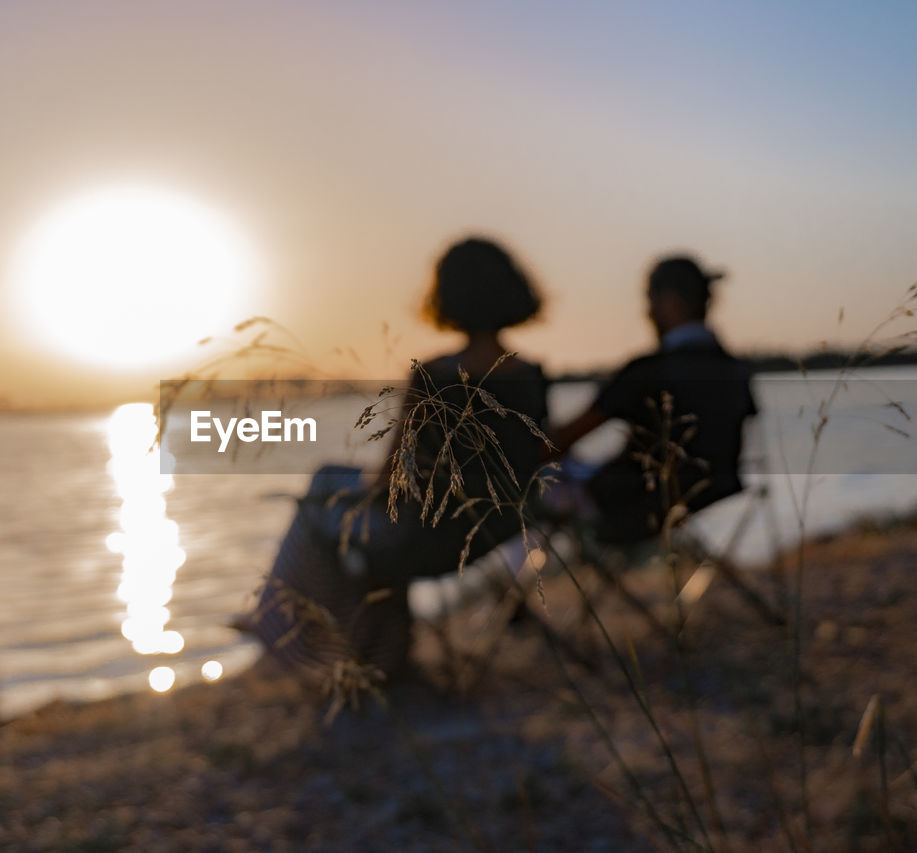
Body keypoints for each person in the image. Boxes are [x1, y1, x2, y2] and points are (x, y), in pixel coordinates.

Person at [243, 237, 550, 682]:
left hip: (424, 539)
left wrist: (353, 497)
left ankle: (285, 628)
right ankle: (369, 650)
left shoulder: (434, 376)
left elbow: (389, 479)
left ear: (448, 298)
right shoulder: (531, 375)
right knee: (332, 481)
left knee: (320, 506)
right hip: (496, 532)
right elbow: (537, 459)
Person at [545, 254, 757, 544]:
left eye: (650, 301)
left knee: (541, 484)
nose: (647, 313)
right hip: (715, 495)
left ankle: (511, 584)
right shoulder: (737, 370)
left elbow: (561, 441)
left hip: (634, 506)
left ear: (670, 301)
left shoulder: (649, 371)